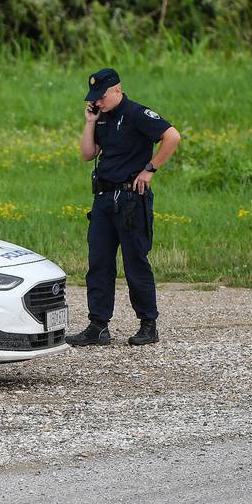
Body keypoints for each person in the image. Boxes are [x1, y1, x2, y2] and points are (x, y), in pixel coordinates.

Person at [71, 67, 181, 347]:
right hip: (104, 200)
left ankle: (148, 324)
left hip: (131, 199)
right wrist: (90, 122)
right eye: (94, 97)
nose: (98, 101)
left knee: (135, 263)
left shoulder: (137, 114)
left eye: (102, 96)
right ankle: (98, 326)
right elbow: (87, 154)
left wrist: (150, 169)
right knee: (99, 264)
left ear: (118, 90)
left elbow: (172, 137)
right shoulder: (102, 118)